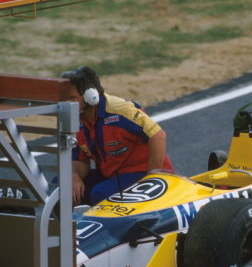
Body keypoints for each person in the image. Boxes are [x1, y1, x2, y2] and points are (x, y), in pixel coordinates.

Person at [61, 66, 173, 205]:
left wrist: (152, 180)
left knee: (100, 194)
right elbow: (80, 160)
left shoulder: (120, 111)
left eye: (71, 98)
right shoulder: (74, 119)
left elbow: (158, 135)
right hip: (112, 176)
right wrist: (74, 176)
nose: (66, 104)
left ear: (90, 96)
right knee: (63, 189)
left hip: (142, 173)